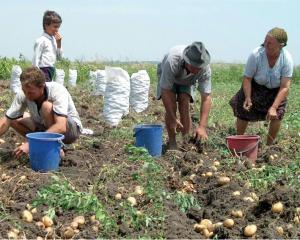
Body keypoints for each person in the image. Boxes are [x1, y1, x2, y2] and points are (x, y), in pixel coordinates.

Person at [0, 67, 83, 158]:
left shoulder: (57, 90)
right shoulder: (23, 94)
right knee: (13, 118)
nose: (27, 95)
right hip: (44, 125)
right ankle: (42, 143)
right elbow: (6, 121)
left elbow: (61, 126)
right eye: (24, 91)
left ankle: (55, 147)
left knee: (46, 106)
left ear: (42, 86)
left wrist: (31, 144)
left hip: (69, 130)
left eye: (31, 92)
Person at [230, 27, 293, 145]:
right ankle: (238, 141)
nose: (265, 44)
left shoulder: (286, 59)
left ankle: (269, 147)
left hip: (276, 91)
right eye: (265, 41)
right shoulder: (256, 54)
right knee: (244, 110)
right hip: (255, 87)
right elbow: (247, 78)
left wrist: (274, 107)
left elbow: (285, 87)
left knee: (277, 115)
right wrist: (248, 97)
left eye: (270, 43)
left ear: (280, 45)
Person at [157, 42, 212, 150]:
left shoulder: (205, 69)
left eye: (199, 67)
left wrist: (202, 126)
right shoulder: (172, 60)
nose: (197, 70)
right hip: (169, 77)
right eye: (194, 67)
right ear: (187, 61)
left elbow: (206, 97)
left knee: (184, 104)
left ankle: (185, 142)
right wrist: (173, 118)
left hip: (187, 81)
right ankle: (172, 142)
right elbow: (166, 91)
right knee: (171, 107)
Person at [32, 10, 63, 82]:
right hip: (43, 70)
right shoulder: (41, 40)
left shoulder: (54, 40)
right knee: (44, 90)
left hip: (51, 69)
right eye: (55, 27)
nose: (57, 30)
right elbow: (36, 58)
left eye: (58, 27)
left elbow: (59, 58)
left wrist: (59, 44)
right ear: (46, 25)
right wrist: (36, 74)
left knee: (48, 90)